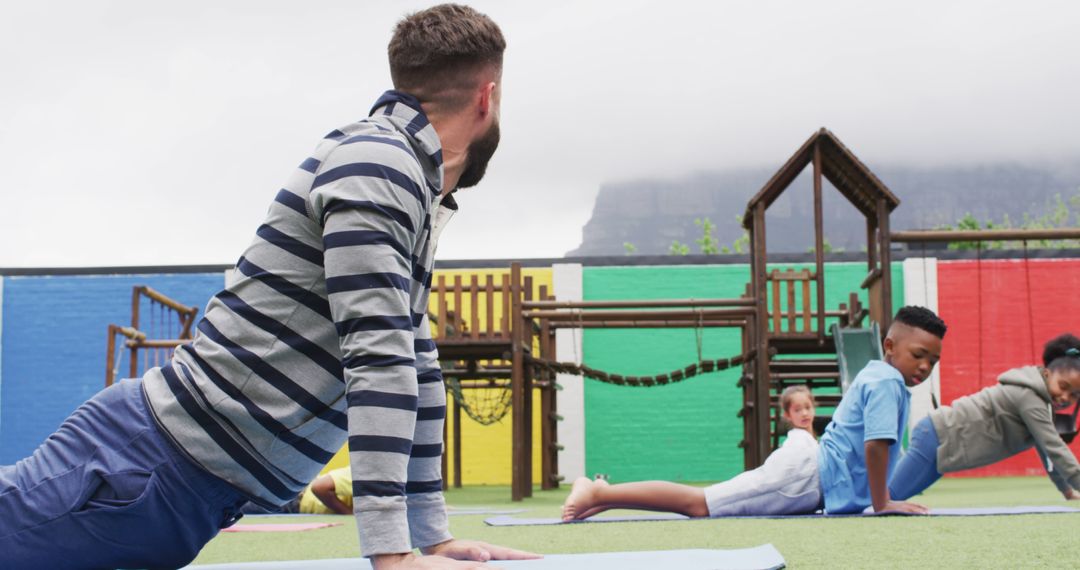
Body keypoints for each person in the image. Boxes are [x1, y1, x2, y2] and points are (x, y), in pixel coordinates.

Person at [0, 5, 537, 569]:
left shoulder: (410, 188)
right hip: (139, 465)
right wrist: (392, 555)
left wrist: (434, 536)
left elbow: (415, 363)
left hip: (181, 488)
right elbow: (377, 358)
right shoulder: (377, 162)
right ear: (487, 98)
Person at [561, 385, 821, 520]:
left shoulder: (812, 441)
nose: (805, 413)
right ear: (787, 415)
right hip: (789, 473)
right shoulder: (799, 441)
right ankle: (599, 492)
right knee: (698, 503)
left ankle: (602, 497)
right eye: (798, 409)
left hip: (798, 475)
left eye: (807, 407)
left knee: (699, 504)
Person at [889, 333, 1080, 501]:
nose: (1065, 397)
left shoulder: (1041, 403)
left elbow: (1047, 452)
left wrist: (1066, 490)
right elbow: (1054, 447)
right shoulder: (1029, 397)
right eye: (1063, 386)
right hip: (936, 435)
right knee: (886, 499)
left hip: (941, 443)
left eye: (1074, 395)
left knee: (893, 499)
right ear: (1047, 374)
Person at [817, 305, 946, 515]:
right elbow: (876, 445)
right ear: (889, 346)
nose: (925, 366)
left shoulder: (880, 376)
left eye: (932, 362)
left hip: (816, 475)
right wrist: (882, 503)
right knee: (743, 500)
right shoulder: (887, 381)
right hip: (809, 475)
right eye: (917, 355)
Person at [241, 466, 354, 515]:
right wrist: (348, 514)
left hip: (296, 501)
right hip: (295, 498)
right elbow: (319, 487)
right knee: (237, 503)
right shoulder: (365, 475)